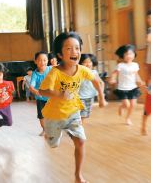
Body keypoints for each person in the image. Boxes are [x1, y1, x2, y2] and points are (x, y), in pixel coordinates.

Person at [39, 32, 106, 183]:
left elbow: (95, 79)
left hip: (73, 112)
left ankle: (78, 176)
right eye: (68, 48)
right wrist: (59, 94)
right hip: (54, 115)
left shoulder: (82, 70)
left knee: (80, 141)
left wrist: (101, 97)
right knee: (53, 144)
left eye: (77, 48)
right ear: (59, 54)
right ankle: (51, 133)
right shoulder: (54, 73)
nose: (74, 52)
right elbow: (42, 91)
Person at [109, 45, 145, 125]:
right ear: (123, 55)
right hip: (123, 88)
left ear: (134, 54)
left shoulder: (135, 65)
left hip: (133, 88)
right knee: (127, 105)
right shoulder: (121, 65)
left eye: (131, 54)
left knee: (133, 105)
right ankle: (121, 107)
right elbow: (114, 73)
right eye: (126, 54)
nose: (129, 56)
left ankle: (128, 118)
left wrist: (140, 81)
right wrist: (113, 79)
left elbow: (136, 75)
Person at [29, 51, 52, 136]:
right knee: (41, 116)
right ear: (35, 61)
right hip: (41, 98)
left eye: (44, 60)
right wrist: (37, 92)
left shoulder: (51, 70)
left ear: (47, 61)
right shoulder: (35, 74)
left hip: (52, 97)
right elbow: (31, 86)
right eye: (40, 60)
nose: (42, 62)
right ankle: (45, 129)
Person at [78, 54, 104, 124]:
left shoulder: (94, 72)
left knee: (86, 114)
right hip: (80, 97)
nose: (88, 64)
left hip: (90, 96)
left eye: (89, 62)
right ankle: (80, 127)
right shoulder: (78, 72)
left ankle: (79, 126)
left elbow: (101, 83)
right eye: (85, 62)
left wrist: (101, 94)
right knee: (82, 113)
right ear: (80, 63)